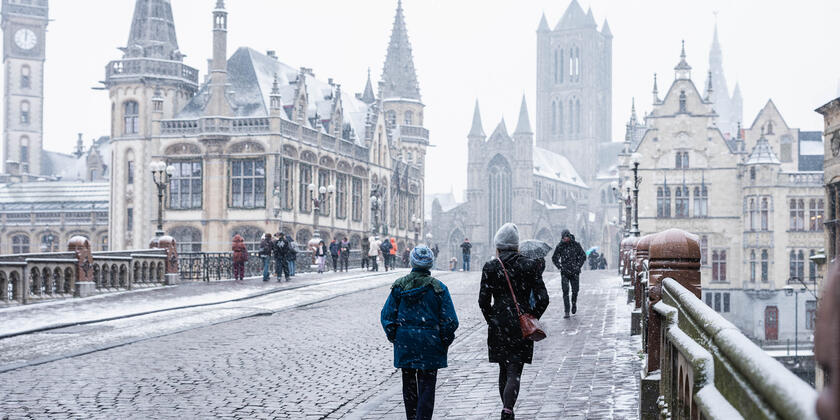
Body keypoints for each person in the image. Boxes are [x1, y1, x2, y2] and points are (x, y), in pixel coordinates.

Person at [479, 223, 549, 420]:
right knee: (514, 369)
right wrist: (532, 316)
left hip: (499, 324)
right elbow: (543, 298)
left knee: (504, 367)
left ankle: (506, 407)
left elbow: (483, 300)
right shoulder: (529, 264)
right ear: (516, 246)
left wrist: (492, 319)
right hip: (520, 323)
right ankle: (508, 410)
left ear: (498, 246)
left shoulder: (491, 266)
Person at [381, 245, 459, 420]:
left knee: (408, 386)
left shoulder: (399, 286)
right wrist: (442, 340)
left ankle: (412, 417)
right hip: (430, 342)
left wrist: (396, 336)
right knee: (427, 387)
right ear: (430, 264)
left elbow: (387, 316)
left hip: (406, 342)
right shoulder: (439, 288)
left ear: (412, 262)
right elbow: (451, 321)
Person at [551, 229, 587, 319]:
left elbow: (583, 256)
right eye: (563, 237)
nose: (564, 239)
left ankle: (574, 303)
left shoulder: (576, 245)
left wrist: (578, 266)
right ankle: (567, 310)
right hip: (565, 272)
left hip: (575, 271)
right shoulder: (560, 246)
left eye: (566, 237)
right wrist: (559, 266)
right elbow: (554, 258)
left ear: (569, 236)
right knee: (565, 291)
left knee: (575, 290)